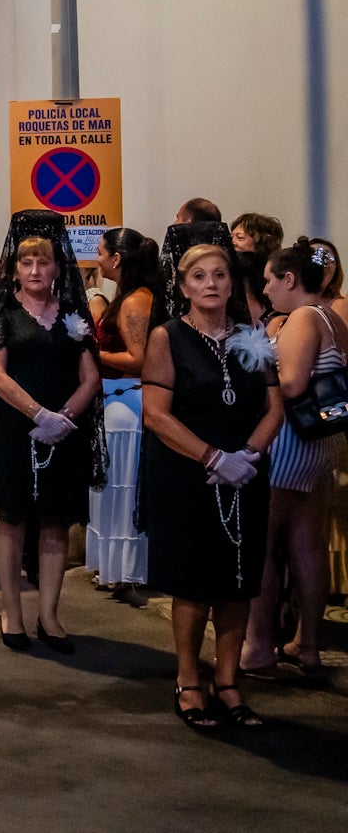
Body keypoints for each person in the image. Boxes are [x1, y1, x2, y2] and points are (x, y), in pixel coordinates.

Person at [140, 230, 282, 730]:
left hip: (245, 475)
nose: (212, 284)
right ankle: (188, 680)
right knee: (194, 584)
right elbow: (155, 413)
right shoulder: (167, 337)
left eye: (220, 275)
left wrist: (248, 455)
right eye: (199, 276)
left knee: (238, 584)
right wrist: (213, 458)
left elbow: (274, 406)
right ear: (182, 286)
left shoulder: (254, 337)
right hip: (189, 475)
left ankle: (228, 683)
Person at [0, 215, 103, 650]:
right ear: (15, 269)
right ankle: (12, 611)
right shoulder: (2, 314)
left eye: (42, 262)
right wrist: (38, 414)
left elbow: (91, 375)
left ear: (56, 268)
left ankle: (49, 614)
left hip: (62, 432)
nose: (34, 270)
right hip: (15, 430)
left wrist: (63, 417)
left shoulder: (72, 314)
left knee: (55, 523)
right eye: (26, 262)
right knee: (12, 520)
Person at [240, 239, 346, 677]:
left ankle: (258, 646)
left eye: (269, 280)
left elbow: (291, 384)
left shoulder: (302, 316)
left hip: (289, 440)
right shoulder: (333, 317)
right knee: (306, 543)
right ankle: (308, 647)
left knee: (262, 544)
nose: (265, 290)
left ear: (289, 279)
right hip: (320, 441)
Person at [89, 227, 158, 600]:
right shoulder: (126, 296)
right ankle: (112, 567)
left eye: (101, 253)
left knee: (124, 490)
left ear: (116, 259)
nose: (97, 260)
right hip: (113, 401)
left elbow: (140, 359)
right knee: (111, 490)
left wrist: (89, 353)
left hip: (128, 403)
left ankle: (129, 570)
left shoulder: (135, 302)